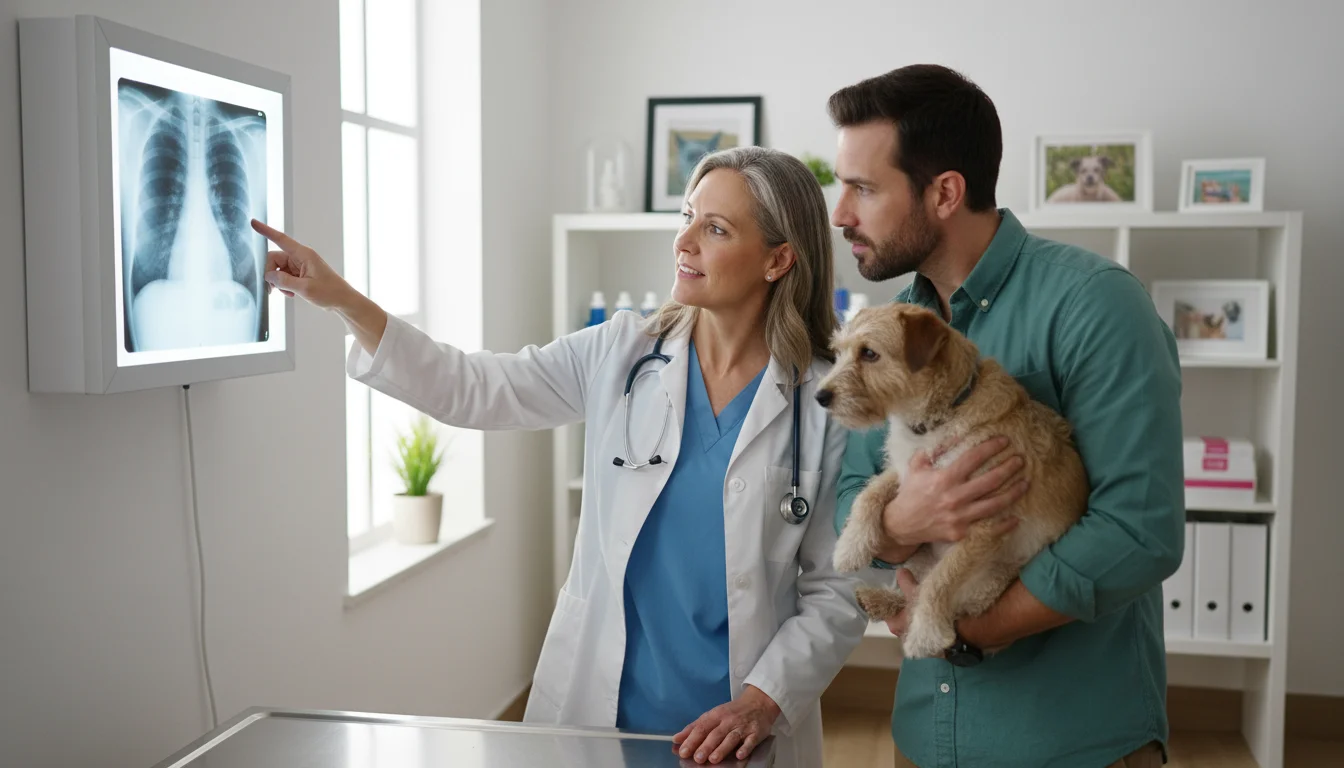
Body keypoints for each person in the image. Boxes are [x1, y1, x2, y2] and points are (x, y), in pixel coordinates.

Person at [250, 145, 868, 767]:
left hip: (738, 724)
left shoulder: (826, 403)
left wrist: (764, 701)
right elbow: (472, 388)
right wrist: (343, 300)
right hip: (605, 710)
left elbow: (837, 588)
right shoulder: (621, 353)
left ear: (778, 258)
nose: (684, 241)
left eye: (715, 228)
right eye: (687, 216)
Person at [825, 64, 1185, 768]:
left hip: (1070, 742)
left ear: (945, 192)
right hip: (924, 736)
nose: (840, 212)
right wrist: (902, 523)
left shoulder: (1097, 305)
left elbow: (1140, 528)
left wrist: (978, 626)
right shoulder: (892, 327)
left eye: (863, 188)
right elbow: (850, 489)